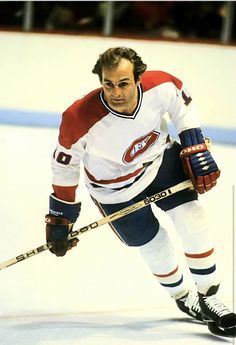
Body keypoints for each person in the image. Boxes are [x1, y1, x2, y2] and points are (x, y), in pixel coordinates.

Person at [45, 47, 236, 337]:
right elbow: (64, 168)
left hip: (159, 163)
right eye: (108, 84)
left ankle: (209, 297)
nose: (116, 92)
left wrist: (194, 144)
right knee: (154, 243)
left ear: (138, 78)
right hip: (113, 189)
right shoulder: (77, 118)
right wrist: (60, 217)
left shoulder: (160, 85)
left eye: (123, 83)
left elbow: (183, 108)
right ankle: (186, 297)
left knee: (192, 217)